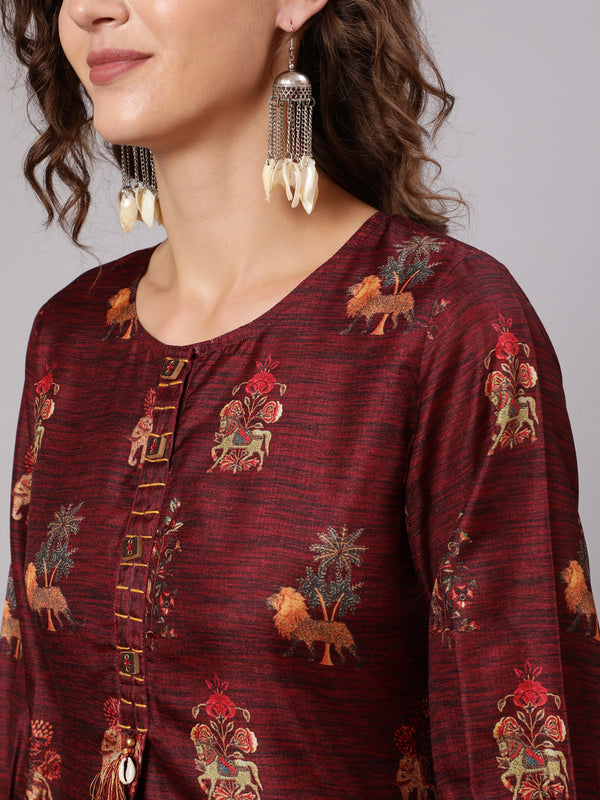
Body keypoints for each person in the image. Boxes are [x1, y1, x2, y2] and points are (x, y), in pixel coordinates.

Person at [0, 0, 598, 798]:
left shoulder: (449, 324)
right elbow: (25, 723)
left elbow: (524, 757)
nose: (89, 9)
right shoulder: (72, 336)